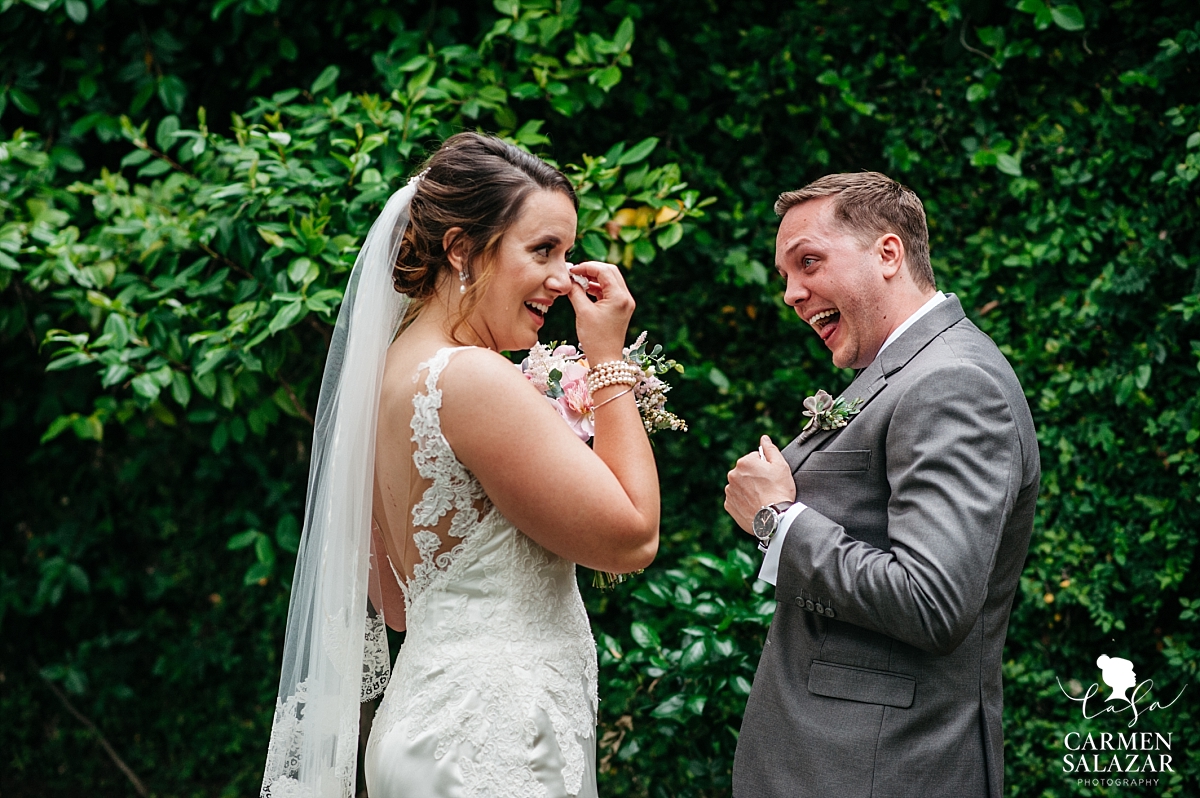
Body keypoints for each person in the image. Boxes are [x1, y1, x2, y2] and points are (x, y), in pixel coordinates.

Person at [260, 132, 659, 798]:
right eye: (543, 250)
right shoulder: (472, 379)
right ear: (462, 251)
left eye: (566, 251)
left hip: (427, 727)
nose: (564, 279)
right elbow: (632, 538)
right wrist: (609, 363)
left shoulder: (390, 376)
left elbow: (395, 605)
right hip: (491, 741)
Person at [723, 172, 1040, 798]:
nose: (791, 293)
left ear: (888, 253)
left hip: (879, 767)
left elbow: (931, 602)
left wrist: (776, 520)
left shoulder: (952, 384)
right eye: (785, 274)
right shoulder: (905, 369)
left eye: (808, 262)